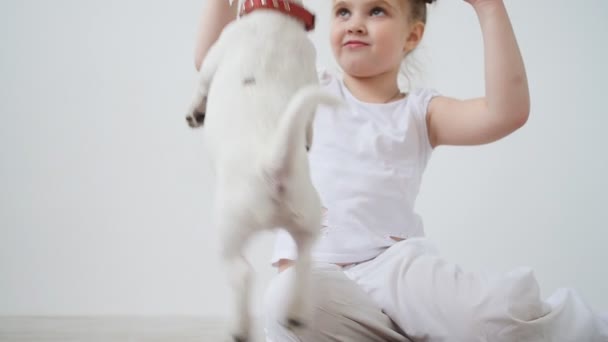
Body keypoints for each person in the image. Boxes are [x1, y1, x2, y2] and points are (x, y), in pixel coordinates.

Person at [193, 0, 608, 341]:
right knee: (285, 307)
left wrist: (489, 8)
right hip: (313, 272)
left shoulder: (418, 112)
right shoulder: (305, 86)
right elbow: (215, 65)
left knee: (490, 316)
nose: (355, 23)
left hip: (393, 266)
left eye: (376, 11)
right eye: (343, 11)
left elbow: (507, 113)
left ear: (412, 36)